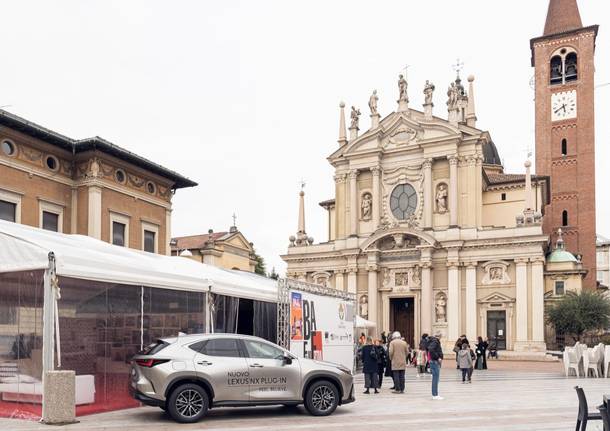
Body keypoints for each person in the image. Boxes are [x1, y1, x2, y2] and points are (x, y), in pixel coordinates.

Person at [427, 331, 444, 400]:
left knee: (435, 378)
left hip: (433, 361)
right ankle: (435, 395)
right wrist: (438, 357)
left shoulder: (433, 341)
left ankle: (435, 394)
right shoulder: (435, 341)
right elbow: (431, 350)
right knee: (435, 378)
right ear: (440, 336)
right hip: (434, 361)